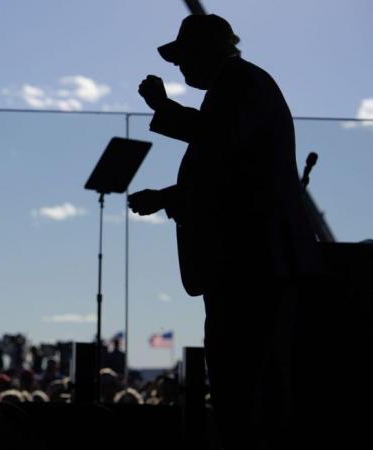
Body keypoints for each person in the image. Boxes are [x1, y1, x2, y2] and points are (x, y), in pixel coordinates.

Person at [129, 14, 321, 450]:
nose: (180, 70)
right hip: (254, 262)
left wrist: (163, 109)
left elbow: (221, 153)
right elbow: (229, 172)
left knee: (245, 384)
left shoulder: (241, 85)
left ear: (204, 53)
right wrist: (169, 198)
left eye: (183, 59)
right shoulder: (240, 86)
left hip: (252, 264)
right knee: (251, 384)